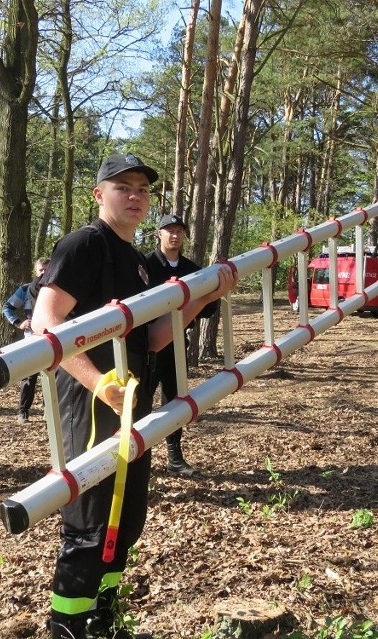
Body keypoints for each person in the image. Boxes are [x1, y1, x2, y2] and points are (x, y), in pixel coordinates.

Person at [31, 153, 236, 639]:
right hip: (89, 400)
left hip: (133, 402)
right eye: (123, 186)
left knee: (128, 517)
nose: (135, 196)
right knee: (91, 519)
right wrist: (98, 381)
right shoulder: (84, 245)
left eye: (142, 188)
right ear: (99, 194)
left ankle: (102, 617)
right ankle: (68, 626)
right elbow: (45, 324)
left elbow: (156, 338)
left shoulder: (140, 264)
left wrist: (204, 296)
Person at [144, 214, 218, 479]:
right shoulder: (145, 265)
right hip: (147, 346)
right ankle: (135, 457)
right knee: (140, 401)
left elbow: (210, 305)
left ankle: (174, 458)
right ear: (158, 234)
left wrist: (192, 309)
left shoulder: (192, 269)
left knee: (176, 402)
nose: (174, 235)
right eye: (168, 230)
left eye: (179, 231)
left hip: (177, 345)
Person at [2, 257, 50, 425]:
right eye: (40, 270)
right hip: (31, 340)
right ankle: (23, 412)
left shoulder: (57, 289)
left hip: (52, 339)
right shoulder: (25, 289)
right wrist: (19, 323)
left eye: (47, 269)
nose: (43, 273)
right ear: (35, 272)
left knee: (51, 378)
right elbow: (7, 307)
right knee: (29, 377)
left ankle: (49, 412)